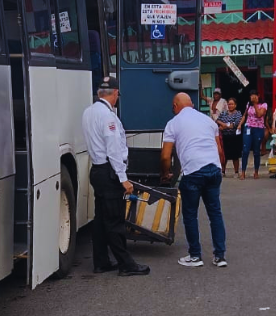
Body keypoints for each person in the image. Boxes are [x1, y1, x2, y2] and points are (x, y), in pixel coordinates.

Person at [80, 76, 150, 276]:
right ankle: (126, 264)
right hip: (109, 172)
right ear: (115, 93)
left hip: (97, 170)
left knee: (101, 219)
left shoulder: (88, 112)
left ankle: (101, 261)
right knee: (115, 220)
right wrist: (123, 178)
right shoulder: (108, 117)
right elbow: (113, 150)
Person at [161, 93, 228, 268]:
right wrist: (219, 168)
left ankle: (195, 255)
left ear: (176, 105)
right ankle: (220, 256)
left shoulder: (173, 124)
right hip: (214, 169)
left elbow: (165, 156)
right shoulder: (208, 121)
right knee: (215, 213)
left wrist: (166, 173)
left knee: (190, 215)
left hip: (193, 172)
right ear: (191, 104)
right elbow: (219, 150)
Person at [238, 90, 268, 179]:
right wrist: (240, 124)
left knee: (256, 151)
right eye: (251, 96)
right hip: (248, 128)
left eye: (255, 96)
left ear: (258, 96)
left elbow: (259, 114)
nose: (253, 97)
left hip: (258, 129)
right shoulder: (248, 104)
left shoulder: (263, 105)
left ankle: (256, 172)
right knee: (245, 150)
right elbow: (245, 115)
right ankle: (243, 172)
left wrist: (255, 104)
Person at [217, 98, 243, 177]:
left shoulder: (238, 113)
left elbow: (234, 125)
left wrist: (224, 126)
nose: (230, 106)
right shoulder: (224, 113)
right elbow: (217, 120)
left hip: (234, 137)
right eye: (229, 104)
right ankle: (223, 171)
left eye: (232, 104)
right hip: (224, 137)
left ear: (235, 105)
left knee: (235, 156)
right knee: (224, 156)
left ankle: (236, 172)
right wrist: (223, 124)